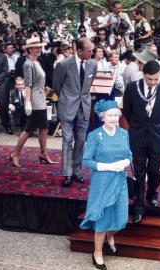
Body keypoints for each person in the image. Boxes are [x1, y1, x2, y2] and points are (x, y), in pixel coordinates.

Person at [80, 99, 132, 270]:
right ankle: (97, 253)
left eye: (116, 115)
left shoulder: (124, 133)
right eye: (109, 115)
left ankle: (110, 235)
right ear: (102, 116)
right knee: (102, 219)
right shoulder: (95, 135)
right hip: (102, 182)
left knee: (121, 218)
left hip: (119, 180)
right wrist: (106, 166)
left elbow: (129, 155)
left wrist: (125, 162)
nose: (113, 118)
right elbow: (86, 160)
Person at [123, 60, 160, 223]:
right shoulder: (132, 88)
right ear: (143, 74)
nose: (152, 82)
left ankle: (152, 194)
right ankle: (138, 206)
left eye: (155, 79)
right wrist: (138, 126)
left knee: (154, 171)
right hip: (137, 136)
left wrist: (155, 125)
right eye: (149, 79)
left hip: (156, 136)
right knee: (139, 173)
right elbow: (127, 112)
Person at [53, 37, 97, 187]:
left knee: (80, 141)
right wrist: (67, 98)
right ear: (79, 51)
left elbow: (88, 85)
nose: (92, 53)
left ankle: (77, 171)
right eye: (89, 51)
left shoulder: (92, 64)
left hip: (84, 108)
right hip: (67, 107)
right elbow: (57, 86)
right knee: (67, 140)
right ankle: (67, 173)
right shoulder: (63, 65)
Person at [10, 36, 56, 167]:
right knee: (29, 129)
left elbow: (39, 82)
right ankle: (16, 153)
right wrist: (28, 102)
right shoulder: (28, 64)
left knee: (43, 128)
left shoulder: (37, 62)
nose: (39, 49)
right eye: (36, 47)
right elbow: (28, 84)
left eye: (40, 47)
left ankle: (43, 153)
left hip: (41, 97)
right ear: (29, 49)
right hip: (34, 99)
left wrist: (46, 90)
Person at [0, 33, 11, 134]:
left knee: (4, 106)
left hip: (0, 84)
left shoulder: (2, 56)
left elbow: (5, 71)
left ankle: (7, 125)